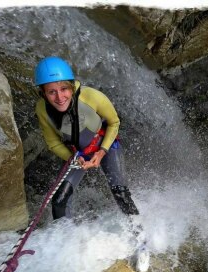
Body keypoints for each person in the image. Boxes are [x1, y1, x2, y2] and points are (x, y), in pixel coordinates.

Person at [34, 56, 140, 219]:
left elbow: (114, 122)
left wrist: (102, 152)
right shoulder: (42, 109)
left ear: (71, 86)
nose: (60, 97)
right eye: (51, 92)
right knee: (59, 201)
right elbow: (53, 143)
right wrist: (73, 159)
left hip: (106, 146)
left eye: (64, 89)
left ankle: (141, 237)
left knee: (121, 195)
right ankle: (66, 243)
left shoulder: (91, 96)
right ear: (43, 94)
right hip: (78, 155)